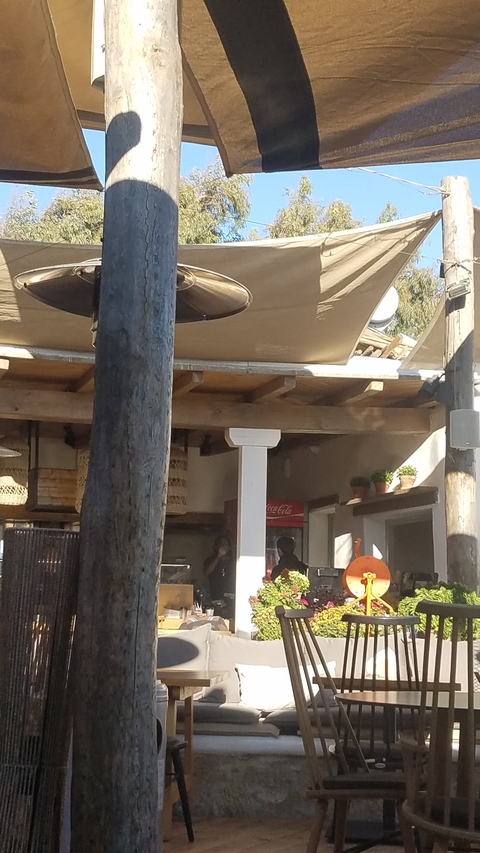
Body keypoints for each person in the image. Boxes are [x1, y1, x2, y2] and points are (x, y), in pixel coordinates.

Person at [203, 535, 234, 603]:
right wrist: (218, 557)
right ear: (216, 546)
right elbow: (206, 573)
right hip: (215, 595)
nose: (223, 546)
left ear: (229, 547)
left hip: (231, 595)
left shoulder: (234, 562)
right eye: (221, 544)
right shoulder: (210, 560)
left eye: (225, 544)